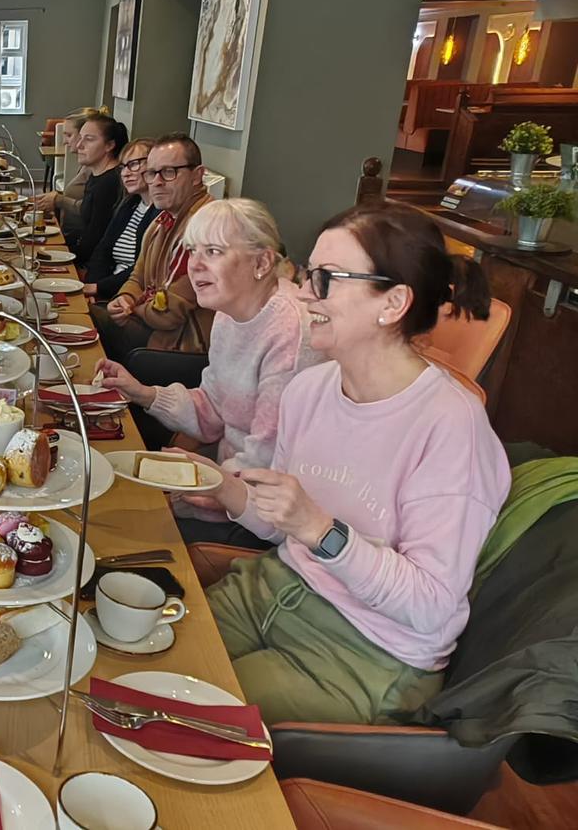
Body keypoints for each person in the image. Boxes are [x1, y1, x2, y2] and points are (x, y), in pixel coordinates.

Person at [180, 203, 509, 726]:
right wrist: (220, 486)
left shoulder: (451, 427)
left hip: (364, 651)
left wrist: (321, 530)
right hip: (276, 587)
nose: (306, 292)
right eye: (311, 274)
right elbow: (277, 524)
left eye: (327, 279)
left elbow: (430, 604)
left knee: (182, 715)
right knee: (148, 656)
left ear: (394, 302)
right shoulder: (311, 389)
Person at [96, 199, 323, 548]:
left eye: (213, 251)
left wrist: (203, 486)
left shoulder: (289, 332)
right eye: (192, 251)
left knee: (120, 535)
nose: (195, 265)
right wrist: (143, 393)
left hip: (260, 516)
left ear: (261, 262)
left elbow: (269, 464)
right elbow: (214, 411)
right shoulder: (229, 313)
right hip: (222, 483)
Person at [96, 131, 215, 360]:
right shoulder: (161, 220)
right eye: (151, 173)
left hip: (182, 346)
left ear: (197, 175)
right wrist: (125, 299)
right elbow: (137, 277)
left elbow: (169, 312)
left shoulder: (206, 227)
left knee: (83, 321)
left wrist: (132, 308)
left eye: (169, 172)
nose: (157, 182)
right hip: (154, 326)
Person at [38, 114, 127, 260]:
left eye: (89, 139)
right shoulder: (96, 175)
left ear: (109, 145)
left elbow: (95, 244)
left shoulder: (109, 183)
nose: (79, 145)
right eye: (80, 138)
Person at [82, 137, 158, 301]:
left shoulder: (160, 214)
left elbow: (142, 269)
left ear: (155, 166)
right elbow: (102, 251)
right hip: (106, 292)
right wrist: (92, 285)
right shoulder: (130, 204)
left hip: (128, 298)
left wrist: (98, 289)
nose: (125, 173)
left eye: (134, 164)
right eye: (123, 167)